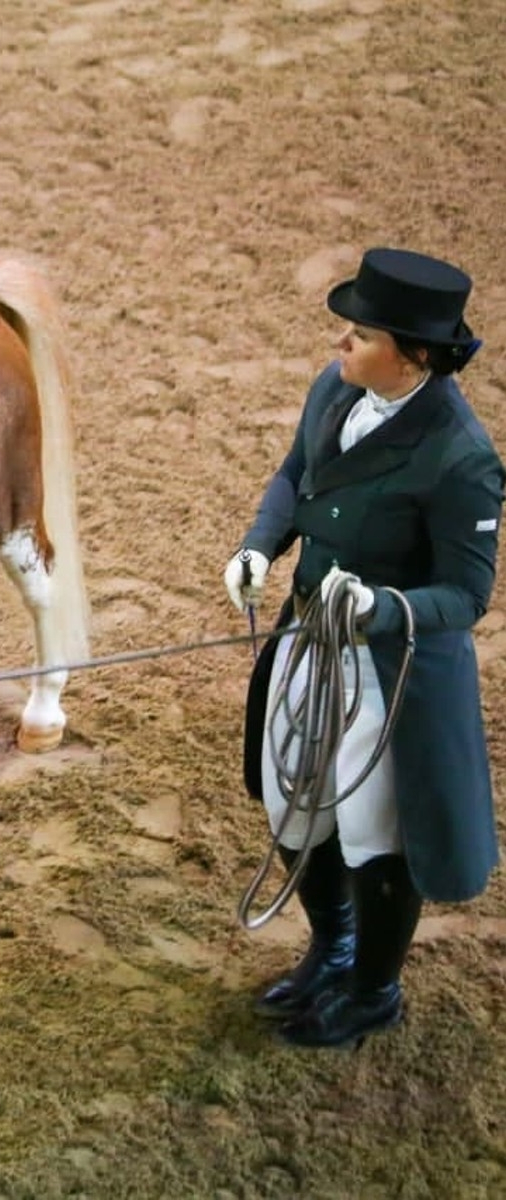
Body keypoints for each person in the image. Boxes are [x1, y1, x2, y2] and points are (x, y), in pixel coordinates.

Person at [223, 247, 502, 1049]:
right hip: (309, 632)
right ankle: (332, 945)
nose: (339, 344)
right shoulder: (334, 389)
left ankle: (374, 988)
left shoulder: (461, 459)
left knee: (374, 830)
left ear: (411, 354)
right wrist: (258, 547)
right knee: (291, 800)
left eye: (359, 333)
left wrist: (380, 606)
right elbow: (293, 476)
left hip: (389, 669)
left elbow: (466, 595)